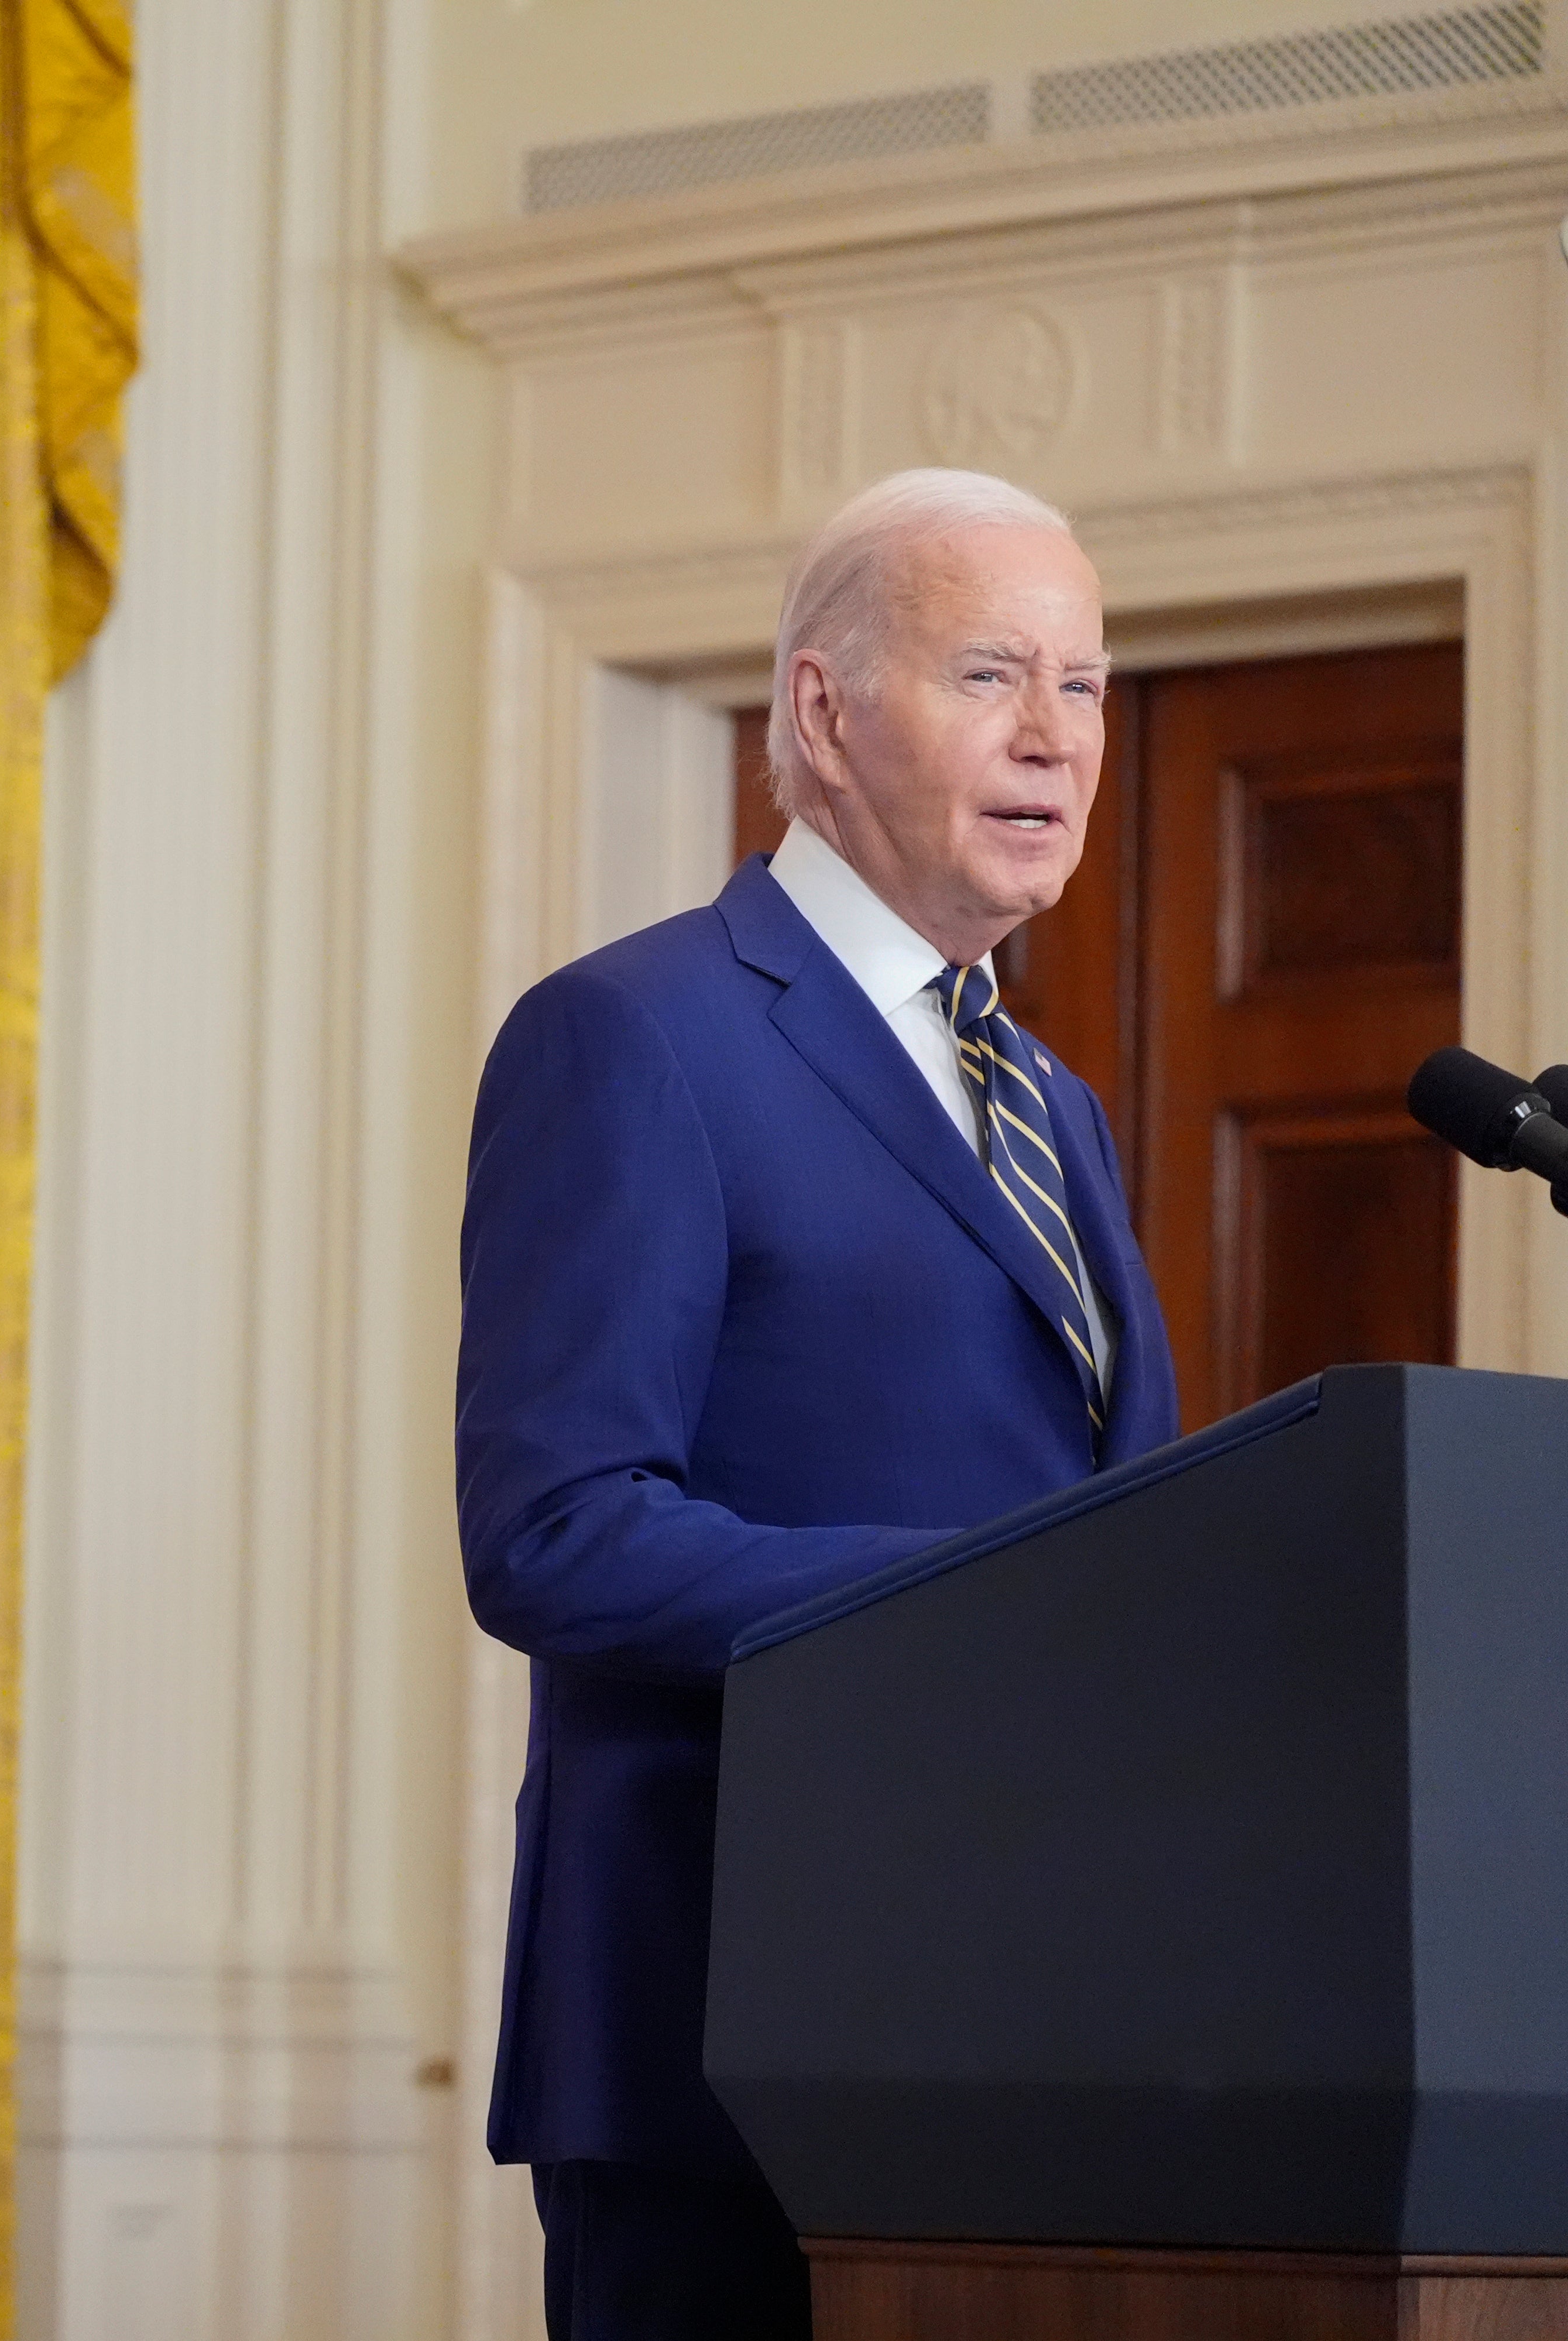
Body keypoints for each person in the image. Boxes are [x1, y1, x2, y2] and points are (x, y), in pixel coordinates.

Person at [454, 467, 1181, 2340]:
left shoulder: (1056, 1109)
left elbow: (1138, 1533)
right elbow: (558, 1531)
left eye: (1087, 687)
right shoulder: (637, 1036)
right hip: (735, 2030)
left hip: (1041, 2025)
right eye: (994, 675)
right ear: (823, 711)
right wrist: (975, 1605)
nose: (1057, 740)